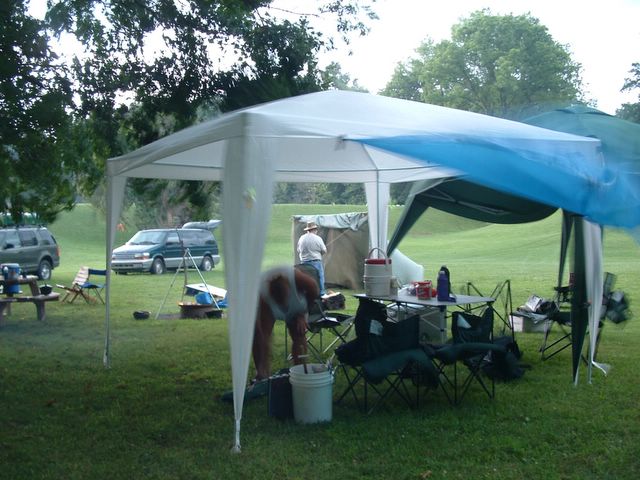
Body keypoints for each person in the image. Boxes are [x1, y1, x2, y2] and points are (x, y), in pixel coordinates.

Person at [252, 266, 320, 382]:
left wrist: (302, 313)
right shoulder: (263, 294)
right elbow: (262, 334)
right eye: (279, 300)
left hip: (297, 306)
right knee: (261, 338)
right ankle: (262, 374)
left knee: (299, 334)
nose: (283, 305)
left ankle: (300, 371)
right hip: (269, 306)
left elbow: (314, 290)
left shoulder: (300, 280)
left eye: (283, 299)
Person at [297, 221, 327, 295]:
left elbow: (298, 250)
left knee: (306, 279)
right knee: (319, 277)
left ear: (308, 230)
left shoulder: (301, 238)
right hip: (316, 262)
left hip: (304, 262)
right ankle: (321, 293)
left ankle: (306, 294)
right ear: (314, 229)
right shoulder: (318, 238)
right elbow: (324, 250)